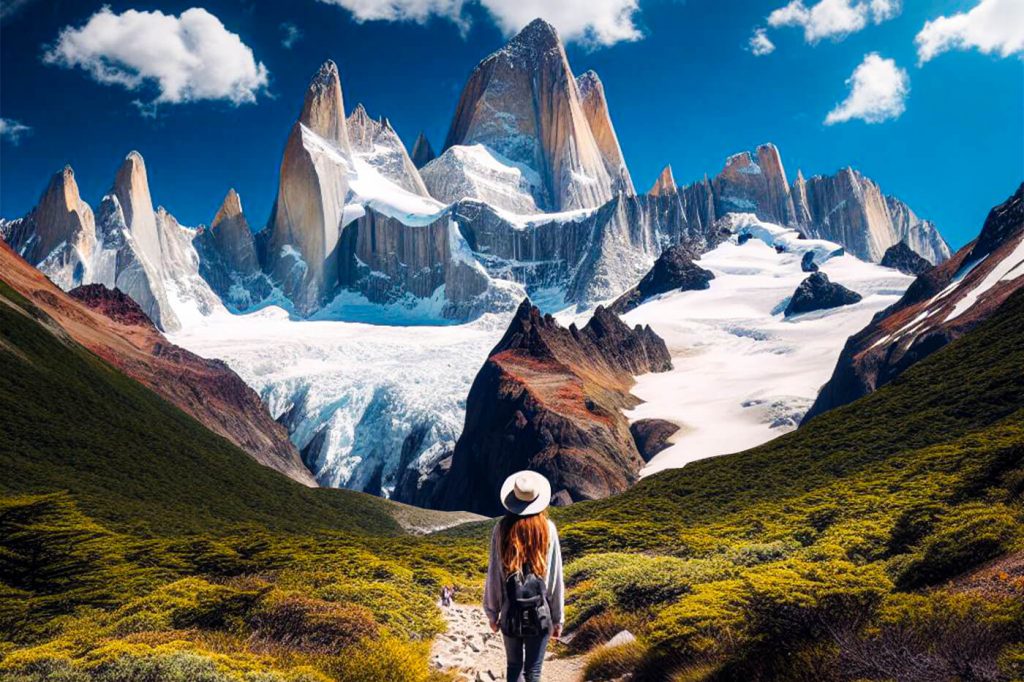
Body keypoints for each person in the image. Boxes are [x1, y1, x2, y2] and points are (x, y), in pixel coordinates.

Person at [484, 471, 564, 682]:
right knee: (533, 671)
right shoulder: (548, 529)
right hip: (540, 612)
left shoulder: (501, 529)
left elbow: (494, 575)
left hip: (510, 610)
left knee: (514, 667)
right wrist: (558, 618)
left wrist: (492, 613)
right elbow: (555, 576)